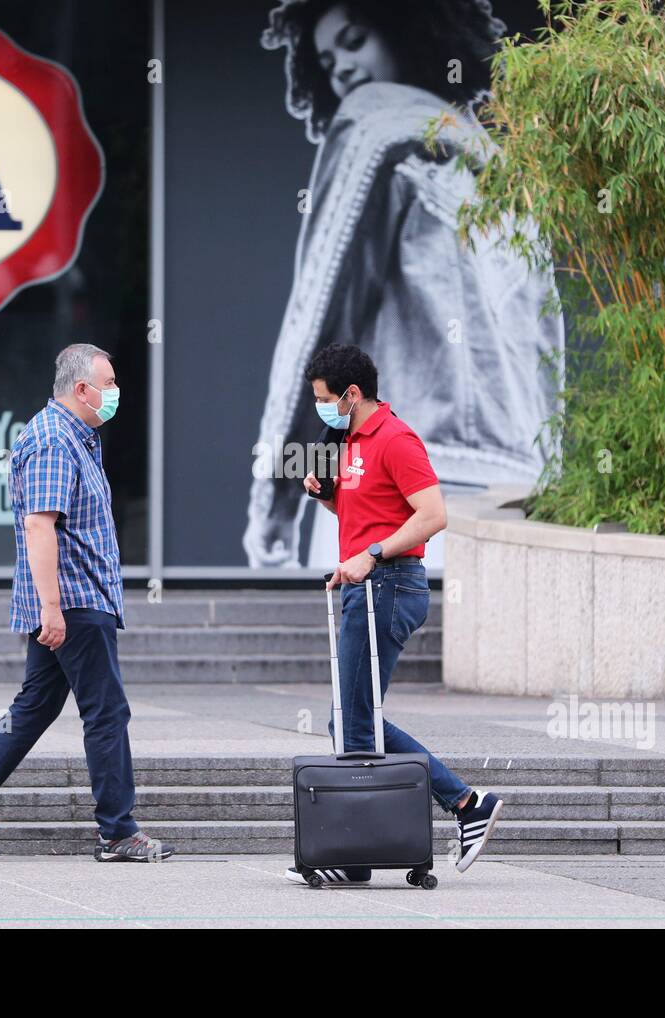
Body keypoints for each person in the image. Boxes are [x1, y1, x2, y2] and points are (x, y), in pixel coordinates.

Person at [246, 0, 563, 570]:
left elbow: (324, 313)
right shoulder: (501, 173)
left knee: (369, 658)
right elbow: (545, 348)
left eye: (353, 39)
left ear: (405, 29)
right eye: (325, 57)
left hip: (393, 487)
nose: (340, 66)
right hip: (515, 492)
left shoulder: (376, 118)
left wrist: (282, 487)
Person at [0, 344, 175, 863]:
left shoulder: (75, 437)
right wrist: (51, 607)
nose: (114, 394)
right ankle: (118, 831)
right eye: (108, 384)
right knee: (106, 712)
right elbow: (39, 526)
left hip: (76, 600)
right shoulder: (52, 440)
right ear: (81, 389)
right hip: (74, 601)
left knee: (34, 708)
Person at [284, 344, 503, 886]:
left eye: (325, 399)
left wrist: (372, 555)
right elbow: (369, 515)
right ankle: (360, 852)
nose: (322, 409)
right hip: (368, 585)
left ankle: (463, 803)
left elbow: (434, 516)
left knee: (352, 721)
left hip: (389, 585)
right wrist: (324, 498)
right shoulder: (351, 441)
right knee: (352, 722)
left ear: (352, 394)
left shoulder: (396, 439)